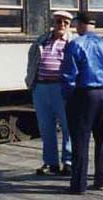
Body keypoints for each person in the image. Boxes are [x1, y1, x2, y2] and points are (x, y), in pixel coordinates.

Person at [61, 13, 103, 194]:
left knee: (81, 139)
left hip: (84, 93)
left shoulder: (75, 44)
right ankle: (101, 179)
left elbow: (69, 75)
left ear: (79, 24)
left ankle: (78, 184)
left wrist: (67, 96)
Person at [25, 11, 74, 176]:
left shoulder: (72, 42)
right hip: (41, 87)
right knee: (46, 127)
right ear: (53, 22)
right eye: (58, 21)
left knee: (68, 126)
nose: (61, 25)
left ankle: (68, 161)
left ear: (69, 25)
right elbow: (32, 60)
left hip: (61, 88)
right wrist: (30, 80)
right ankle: (50, 162)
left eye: (65, 22)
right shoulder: (42, 40)